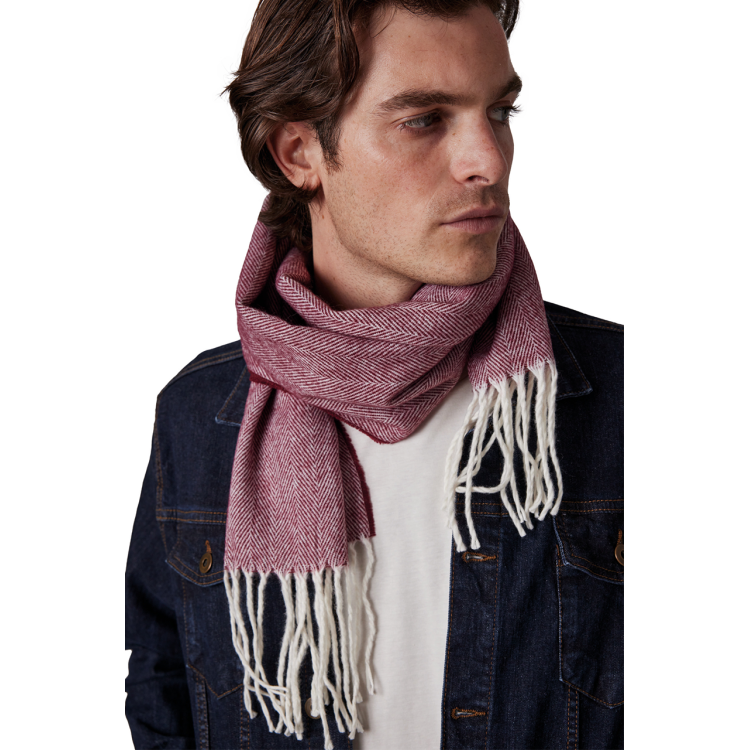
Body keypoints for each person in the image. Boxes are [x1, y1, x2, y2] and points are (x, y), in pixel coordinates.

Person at [125, 1, 624, 748]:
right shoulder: (198, 417)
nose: (487, 160)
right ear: (299, 152)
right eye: (424, 120)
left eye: (500, 111)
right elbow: (162, 682)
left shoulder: (625, 394)